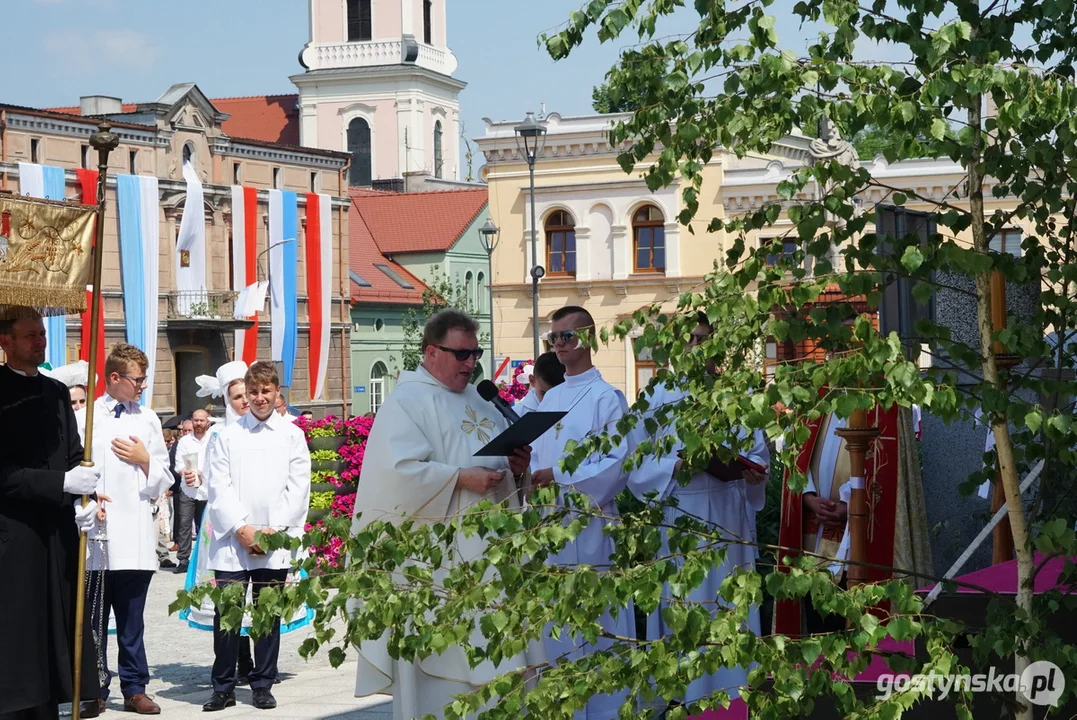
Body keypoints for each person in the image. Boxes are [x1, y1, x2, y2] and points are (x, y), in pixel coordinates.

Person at [352, 309, 539, 719]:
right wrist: (459, 478)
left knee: (498, 664)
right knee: (445, 670)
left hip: (491, 557)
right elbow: (396, 475)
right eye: (462, 354)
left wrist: (516, 469)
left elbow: (499, 467)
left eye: (476, 353)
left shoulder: (481, 400)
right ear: (432, 352)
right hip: (439, 562)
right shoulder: (405, 401)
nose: (471, 363)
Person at [627, 312, 769, 707]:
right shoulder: (655, 398)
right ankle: (683, 699)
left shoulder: (736, 394)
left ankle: (735, 697)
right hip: (681, 518)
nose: (697, 347)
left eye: (704, 339)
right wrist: (675, 465)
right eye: (689, 339)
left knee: (731, 609)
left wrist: (758, 473)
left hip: (728, 515)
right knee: (685, 606)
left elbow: (758, 452)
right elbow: (635, 464)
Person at [773, 320, 933, 636]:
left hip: (860, 536)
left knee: (860, 626)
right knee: (821, 627)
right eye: (832, 351)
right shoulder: (816, 398)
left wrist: (852, 506)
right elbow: (796, 456)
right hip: (815, 536)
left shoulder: (884, 400)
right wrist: (807, 496)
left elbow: (891, 475)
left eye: (845, 351)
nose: (836, 358)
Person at [529, 305, 635, 720]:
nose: (558, 345)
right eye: (552, 338)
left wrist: (555, 475)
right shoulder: (550, 398)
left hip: (590, 527)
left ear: (588, 338)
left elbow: (616, 465)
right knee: (556, 629)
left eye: (566, 337)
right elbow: (535, 454)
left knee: (597, 628)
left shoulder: (607, 398)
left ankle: (606, 710)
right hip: (548, 528)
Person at [0, 306, 102, 720]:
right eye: (30, 335)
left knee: (58, 628)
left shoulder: (57, 392)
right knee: (20, 628)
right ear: (5, 341)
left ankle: (56, 700)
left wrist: (88, 498)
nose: (40, 341)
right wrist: (61, 485)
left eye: (42, 333)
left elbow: (76, 456)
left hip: (59, 532)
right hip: (15, 533)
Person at [201, 362, 311, 712]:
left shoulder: (292, 434)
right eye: (253, 392)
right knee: (228, 615)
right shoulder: (227, 436)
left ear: (277, 392)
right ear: (245, 395)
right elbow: (219, 485)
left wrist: (272, 531)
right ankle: (223, 685)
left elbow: (298, 487)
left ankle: (263, 682)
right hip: (235, 540)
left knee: (267, 615)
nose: (260, 398)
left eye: (266, 391)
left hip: (273, 539)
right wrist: (242, 528)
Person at [83, 342, 172, 715]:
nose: (143, 386)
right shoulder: (87, 418)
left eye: (145, 378)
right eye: (138, 379)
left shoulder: (148, 419)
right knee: (94, 621)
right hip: (98, 536)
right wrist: (88, 497)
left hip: (134, 533)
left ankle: (134, 687)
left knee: (132, 621)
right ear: (114, 377)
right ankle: (93, 689)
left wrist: (145, 459)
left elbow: (164, 477)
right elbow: (74, 470)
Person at [173, 409, 213, 574]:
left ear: (207, 422)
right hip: (188, 488)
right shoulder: (184, 441)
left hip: (207, 490)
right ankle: (183, 559)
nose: (198, 423)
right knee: (184, 524)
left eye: (201, 420)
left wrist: (205, 474)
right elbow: (178, 464)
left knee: (206, 525)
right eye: (195, 420)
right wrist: (185, 472)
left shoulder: (213, 439)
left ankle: (206, 559)